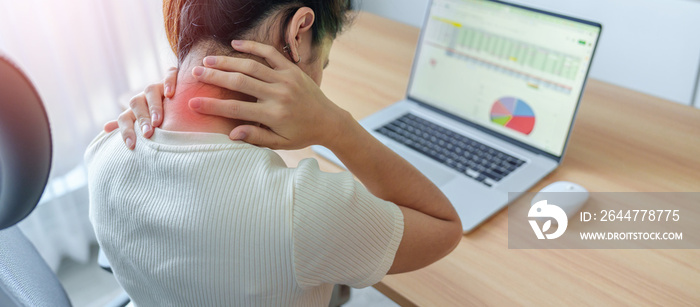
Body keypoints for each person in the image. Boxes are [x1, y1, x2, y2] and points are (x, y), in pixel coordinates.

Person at [88, 0, 462, 306]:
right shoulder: (301, 210)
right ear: (298, 32)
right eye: (323, 61)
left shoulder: (106, 149)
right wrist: (336, 127)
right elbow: (444, 227)